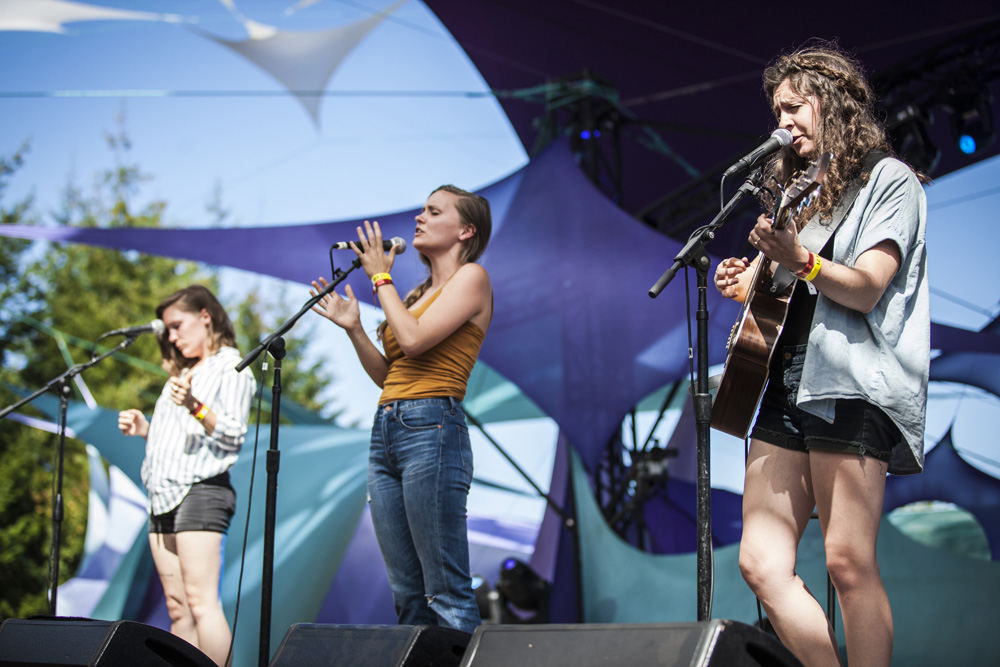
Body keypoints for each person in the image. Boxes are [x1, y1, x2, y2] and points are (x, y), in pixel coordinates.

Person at [714, 43, 929, 667]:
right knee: (760, 562)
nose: (780, 122)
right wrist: (747, 285)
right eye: (775, 110)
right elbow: (788, 298)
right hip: (783, 386)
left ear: (830, 104)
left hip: (849, 385)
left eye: (793, 107)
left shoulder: (887, 180)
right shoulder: (803, 194)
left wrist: (798, 260)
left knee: (846, 561)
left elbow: (863, 287)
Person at [310, 185, 492, 634]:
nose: (419, 217)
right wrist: (354, 329)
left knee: (445, 589)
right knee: (407, 593)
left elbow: (412, 339)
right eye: (421, 210)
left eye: (434, 211)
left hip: (433, 426)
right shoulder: (415, 294)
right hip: (388, 426)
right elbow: (392, 373)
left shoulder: (472, 278)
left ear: (465, 229)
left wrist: (379, 278)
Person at [118, 285, 255, 666]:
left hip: (200, 491)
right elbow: (180, 438)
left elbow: (231, 436)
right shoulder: (181, 373)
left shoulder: (231, 368)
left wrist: (194, 404)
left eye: (177, 326)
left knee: (201, 601)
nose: (172, 338)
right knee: (178, 608)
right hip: (162, 494)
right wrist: (146, 428)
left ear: (205, 317)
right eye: (168, 331)